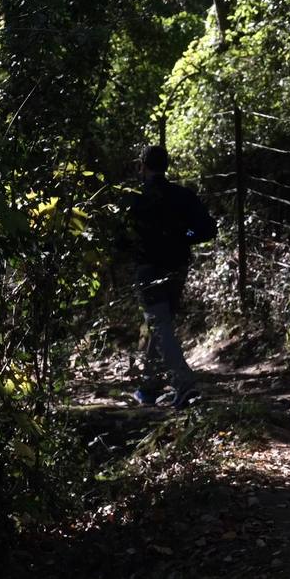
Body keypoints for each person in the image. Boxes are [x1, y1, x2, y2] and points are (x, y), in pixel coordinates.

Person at [127, 144, 216, 409]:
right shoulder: (183, 196)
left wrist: (138, 248)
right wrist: (184, 238)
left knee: (160, 325)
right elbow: (207, 229)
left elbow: (121, 239)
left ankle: (184, 383)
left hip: (148, 268)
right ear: (166, 165)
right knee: (161, 325)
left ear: (142, 166)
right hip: (177, 267)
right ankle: (149, 388)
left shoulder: (136, 198)